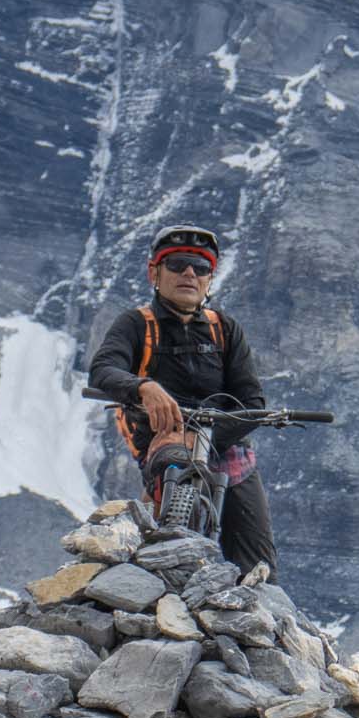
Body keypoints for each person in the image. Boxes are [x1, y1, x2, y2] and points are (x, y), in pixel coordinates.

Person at [86, 224, 277, 578]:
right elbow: (102, 370)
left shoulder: (226, 330)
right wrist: (144, 387)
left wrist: (208, 437)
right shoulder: (136, 324)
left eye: (201, 267)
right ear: (154, 274)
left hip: (226, 445)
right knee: (171, 541)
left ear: (209, 280)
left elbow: (252, 401)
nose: (189, 273)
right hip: (164, 442)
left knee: (259, 564)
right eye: (176, 264)